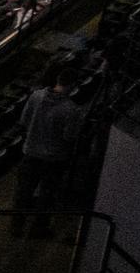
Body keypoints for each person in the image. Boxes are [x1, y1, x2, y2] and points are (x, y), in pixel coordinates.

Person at [14, 77, 86, 238]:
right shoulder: (71, 109)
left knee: (23, 191)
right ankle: (38, 228)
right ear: (72, 85)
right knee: (46, 195)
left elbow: (24, 120)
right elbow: (69, 136)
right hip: (54, 159)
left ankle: (16, 225)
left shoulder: (36, 96)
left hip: (30, 152)